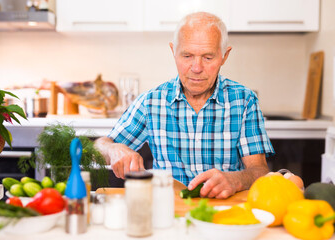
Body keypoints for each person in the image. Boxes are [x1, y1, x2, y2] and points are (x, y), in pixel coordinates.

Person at [95, 12, 274, 199]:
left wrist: (236, 179)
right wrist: (112, 149)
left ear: (224, 56)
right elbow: (100, 147)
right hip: (167, 212)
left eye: (208, 57)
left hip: (224, 213)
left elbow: (260, 171)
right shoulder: (151, 102)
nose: (196, 68)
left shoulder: (244, 101)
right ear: (174, 51)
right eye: (187, 56)